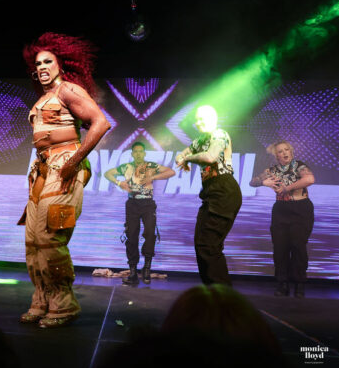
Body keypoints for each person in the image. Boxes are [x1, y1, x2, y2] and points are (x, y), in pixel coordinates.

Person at [19, 32, 111, 328]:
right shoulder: (42, 98)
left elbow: (100, 123)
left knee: (50, 237)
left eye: (48, 61)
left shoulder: (68, 89)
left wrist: (73, 162)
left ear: (61, 64)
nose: (43, 67)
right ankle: (42, 299)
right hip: (43, 171)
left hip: (65, 167)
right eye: (38, 64)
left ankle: (64, 303)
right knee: (33, 240)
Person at [175, 105, 241, 286]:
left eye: (201, 119)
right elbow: (181, 155)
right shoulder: (199, 141)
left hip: (224, 189)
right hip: (210, 192)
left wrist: (187, 159)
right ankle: (213, 291)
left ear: (213, 118)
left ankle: (221, 294)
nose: (198, 123)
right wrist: (182, 158)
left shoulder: (219, 134)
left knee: (208, 245)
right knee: (202, 244)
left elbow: (210, 157)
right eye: (196, 120)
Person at [249, 141, 314, 297]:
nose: (284, 153)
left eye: (286, 150)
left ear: (291, 152)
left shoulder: (299, 166)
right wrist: (263, 182)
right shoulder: (272, 170)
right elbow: (252, 182)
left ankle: (299, 284)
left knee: (298, 247)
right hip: (281, 210)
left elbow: (310, 179)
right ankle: (282, 283)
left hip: (300, 210)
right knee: (280, 248)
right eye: (280, 151)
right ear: (276, 155)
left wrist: (287, 188)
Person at [104, 142, 175, 285]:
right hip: (132, 204)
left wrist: (152, 178)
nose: (138, 154)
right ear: (132, 154)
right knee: (131, 236)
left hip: (148, 204)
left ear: (144, 153)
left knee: (150, 234)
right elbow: (107, 173)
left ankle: (147, 268)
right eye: (135, 151)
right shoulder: (126, 167)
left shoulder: (151, 166)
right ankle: (133, 272)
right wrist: (119, 183)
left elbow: (171, 172)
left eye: (140, 151)